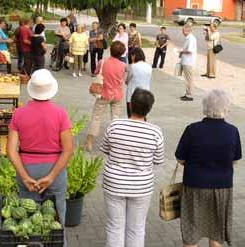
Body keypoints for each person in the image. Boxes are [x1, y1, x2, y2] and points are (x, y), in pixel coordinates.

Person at [7, 69, 74, 227]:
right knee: (56, 220)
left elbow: (10, 151)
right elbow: (68, 149)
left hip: (27, 169)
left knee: (29, 221)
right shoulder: (61, 114)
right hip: (55, 170)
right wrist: (51, 176)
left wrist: (24, 176)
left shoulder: (18, 113)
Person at [175, 89, 241, 247]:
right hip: (222, 188)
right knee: (216, 234)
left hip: (194, 187)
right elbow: (235, 160)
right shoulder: (233, 131)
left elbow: (180, 158)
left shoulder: (192, 129)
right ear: (226, 108)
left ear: (205, 106)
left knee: (191, 233)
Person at [101, 88, 164, 247]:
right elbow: (158, 160)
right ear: (149, 108)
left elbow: (106, 149)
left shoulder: (115, 125)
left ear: (131, 105)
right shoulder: (155, 132)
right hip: (141, 186)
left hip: (114, 183)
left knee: (115, 226)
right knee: (136, 228)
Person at [85, 41, 127, 151]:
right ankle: (114, 143)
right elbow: (123, 78)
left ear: (111, 50)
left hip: (104, 94)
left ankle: (89, 142)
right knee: (115, 119)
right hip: (117, 94)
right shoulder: (123, 65)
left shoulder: (102, 62)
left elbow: (96, 72)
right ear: (122, 53)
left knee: (96, 117)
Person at [126, 48, 152, 118]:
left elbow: (127, 80)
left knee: (132, 116)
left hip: (133, 95)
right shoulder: (149, 66)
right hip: (146, 94)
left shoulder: (133, 66)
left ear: (134, 56)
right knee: (143, 116)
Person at [179, 24, 197, 101]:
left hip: (188, 61)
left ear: (187, 31)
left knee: (189, 79)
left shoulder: (191, 39)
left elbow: (190, 51)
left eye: (183, 30)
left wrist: (181, 51)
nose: (182, 32)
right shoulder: (188, 38)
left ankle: (190, 95)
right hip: (186, 61)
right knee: (187, 79)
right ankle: (187, 93)